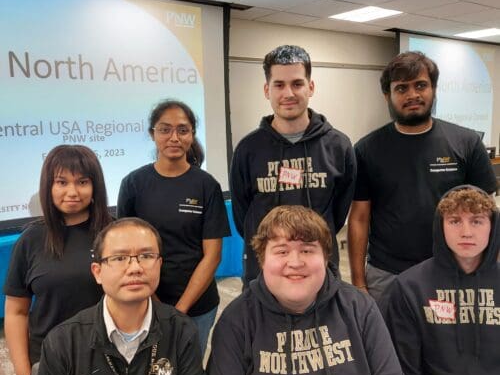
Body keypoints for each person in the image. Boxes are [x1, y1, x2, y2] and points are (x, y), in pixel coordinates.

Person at [208, 205, 415, 375]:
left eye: (307, 250)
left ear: (326, 258)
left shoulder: (360, 308)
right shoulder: (236, 322)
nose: (295, 262)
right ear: (262, 260)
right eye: (282, 251)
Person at [29, 217, 210, 375]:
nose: (135, 268)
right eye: (120, 258)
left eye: (146, 256)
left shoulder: (182, 331)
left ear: (159, 264)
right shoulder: (63, 342)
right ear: (97, 272)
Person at [348, 51, 497, 303]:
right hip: (387, 276)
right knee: (388, 343)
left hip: (453, 269)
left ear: (434, 89)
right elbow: (359, 219)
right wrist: (359, 283)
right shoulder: (367, 149)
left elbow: (488, 214)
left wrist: (490, 271)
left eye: (420, 85)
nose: (412, 95)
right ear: (388, 95)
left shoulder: (467, 143)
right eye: (401, 88)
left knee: (448, 343)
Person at [230, 44, 356, 287]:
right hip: (263, 274)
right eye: (279, 85)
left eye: (297, 84)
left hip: (320, 272)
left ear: (311, 87)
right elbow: (242, 217)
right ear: (267, 90)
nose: (288, 93)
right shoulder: (248, 149)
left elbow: (338, 213)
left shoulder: (338, 146)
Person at [117, 99, 230, 354]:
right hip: (143, 302)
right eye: (165, 129)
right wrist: (155, 305)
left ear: (192, 134)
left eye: (183, 129)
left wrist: (179, 310)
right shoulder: (133, 184)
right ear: (152, 134)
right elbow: (125, 252)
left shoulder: (206, 185)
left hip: (198, 306)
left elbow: (212, 256)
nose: (174, 137)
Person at [383, 186, 500, 375]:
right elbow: (404, 366)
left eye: (477, 221)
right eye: (455, 220)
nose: (466, 232)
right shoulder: (410, 287)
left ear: (493, 227)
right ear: (440, 225)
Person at [3, 144, 112, 375]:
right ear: (48, 187)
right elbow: (16, 312)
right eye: (61, 182)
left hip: (110, 358)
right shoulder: (31, 239)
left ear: (95, 186)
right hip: (50, 361)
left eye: (82, 182)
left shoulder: (115, 234)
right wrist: (26, 374)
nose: (72, 191)